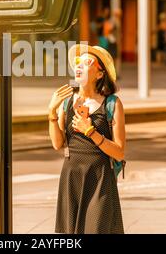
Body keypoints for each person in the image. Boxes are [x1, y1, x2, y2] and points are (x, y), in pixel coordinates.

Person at [48, 45, 125, 234]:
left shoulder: (112, 103)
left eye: (87, 62)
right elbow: (58, 144)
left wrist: (90, 131)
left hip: (100, 178)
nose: (79, 66)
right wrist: (51, 112)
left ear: (100, 74)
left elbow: (119, 151)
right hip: (72, 177)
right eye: (77, 62)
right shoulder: (66, 102)